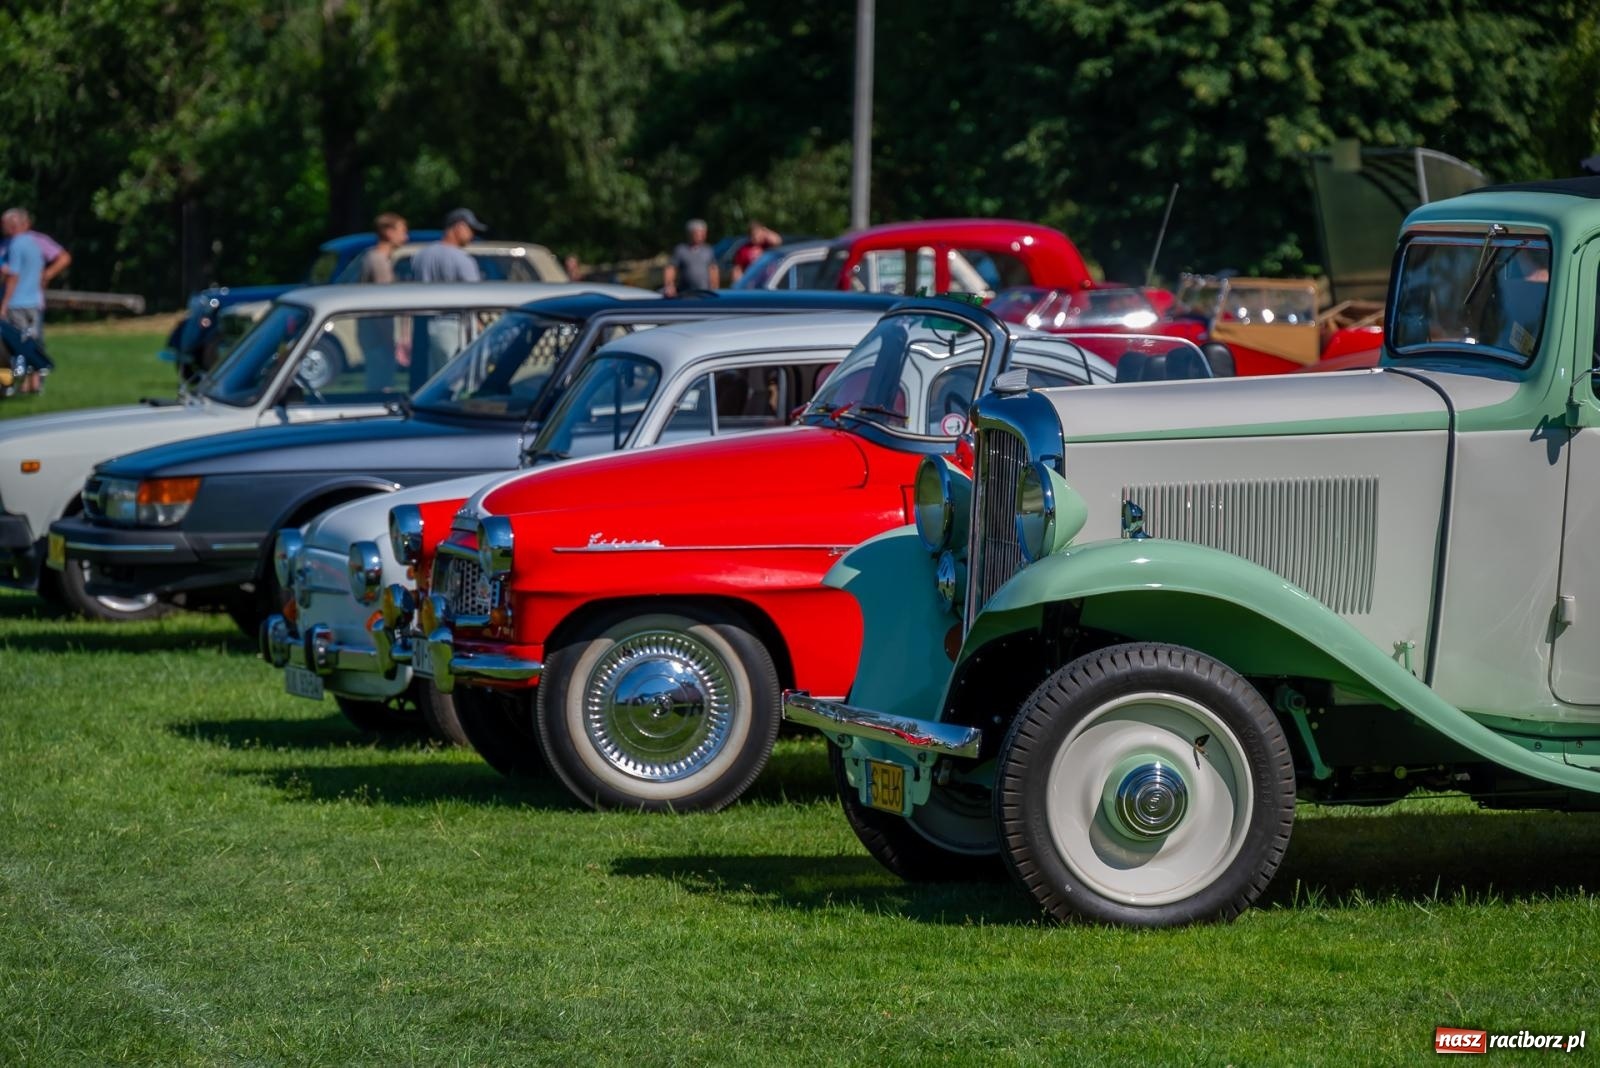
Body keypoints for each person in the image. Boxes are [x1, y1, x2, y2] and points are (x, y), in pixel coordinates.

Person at [409, 208, 487, 386]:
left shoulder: (421, 256)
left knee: (428, 383)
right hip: (453, 325)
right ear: (458, 226)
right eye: (470, 229)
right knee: (453, 382)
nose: (472, 235)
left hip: (423, 325)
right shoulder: (462, 259)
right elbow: (475, 297)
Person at [0, 208, 65, 394]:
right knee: (32, 343)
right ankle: (33, 384)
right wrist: (46, 275)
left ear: (12, 226)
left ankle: (10, 385)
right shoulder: (35, 243)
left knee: (14, 346)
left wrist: (3, 304)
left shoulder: (14, 245)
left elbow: (13, 277)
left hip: (16, 304)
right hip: (34, 302)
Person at [357, 213, 410, 391]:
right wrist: (388, 339)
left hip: (371, 333)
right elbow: (382, 305)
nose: (406, 236)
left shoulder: (372, 257)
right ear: (388, 232)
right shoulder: (379, 261)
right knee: (381, 385)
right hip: (378, 335)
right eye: (402, 231)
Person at [663, 218, 718, 296]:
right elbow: (670, 268)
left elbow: (713, 269)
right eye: (699, 232)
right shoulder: (681, 250)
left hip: (705, 294)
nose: (702, 235)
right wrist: (669, 286)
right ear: (690, 233)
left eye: (704, 233)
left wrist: (714, 287)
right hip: (685, 294)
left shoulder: (708, 250)